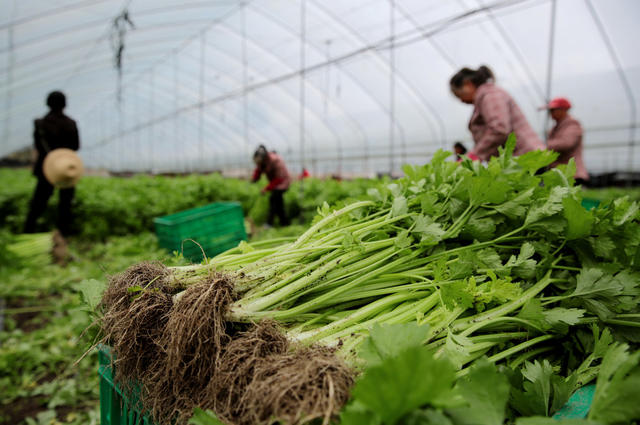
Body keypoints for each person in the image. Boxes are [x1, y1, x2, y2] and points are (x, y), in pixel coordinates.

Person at [450, 65, 545, 161]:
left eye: (459, 95)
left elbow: (499, 128)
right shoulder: (484, 98)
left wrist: (473, 156)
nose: (461, 100)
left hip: (525, 158)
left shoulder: (491, 96)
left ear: (468, 84)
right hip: (519, 159)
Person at [24, 91, 80, 236]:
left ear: (48, 103)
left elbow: (38, 144)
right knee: (65, 202)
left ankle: (28, 230)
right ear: (65, 104)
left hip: (47, 167)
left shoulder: (40, 124)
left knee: (39, 201)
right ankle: (63, 232)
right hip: (67, 167)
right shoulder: (71, 123)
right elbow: (75, 146)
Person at [541, 97, 589, 185]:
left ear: (563, 110)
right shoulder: (557, 127)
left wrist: (542, 146)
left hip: (572, 175)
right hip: (560, 174)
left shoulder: (572, 124)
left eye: (552, 110)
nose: (550, 114)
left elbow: (567, 143)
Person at [251, 145, 291, 226]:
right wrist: (255, 178)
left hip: (283, 183)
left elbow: (279, 179)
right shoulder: (262, 161)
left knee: (273, 200)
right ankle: (285, 223)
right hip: (275, 183)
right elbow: (259, 169)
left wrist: (266, 189)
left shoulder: (276, 161)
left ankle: (270, 223)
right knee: (278, 203)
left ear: (264, 157)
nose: (258, 163)